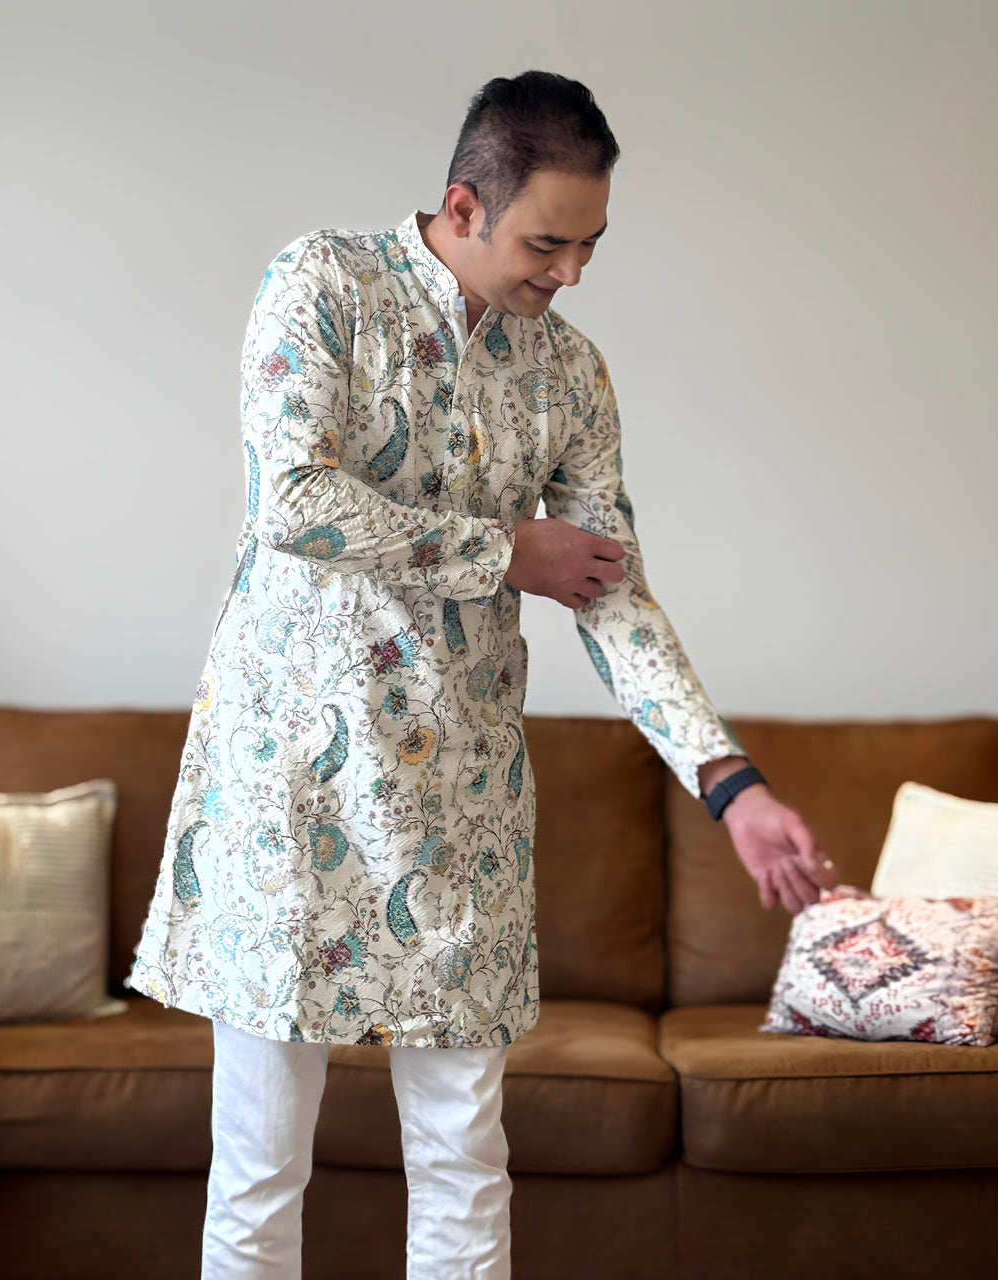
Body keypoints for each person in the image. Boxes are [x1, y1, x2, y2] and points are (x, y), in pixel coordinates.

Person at [128, 70, 835, 1280]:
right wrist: (508, 552)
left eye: (590, 245)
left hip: (461, 807)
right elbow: (289, 501)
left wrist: (729, 777)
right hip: (289, 793)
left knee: (464, 1160)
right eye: (546, 242)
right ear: (463, 204)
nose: (568, 273)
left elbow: (608, 587)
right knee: (259, 1167)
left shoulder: (570, 373)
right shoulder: (323, 285)